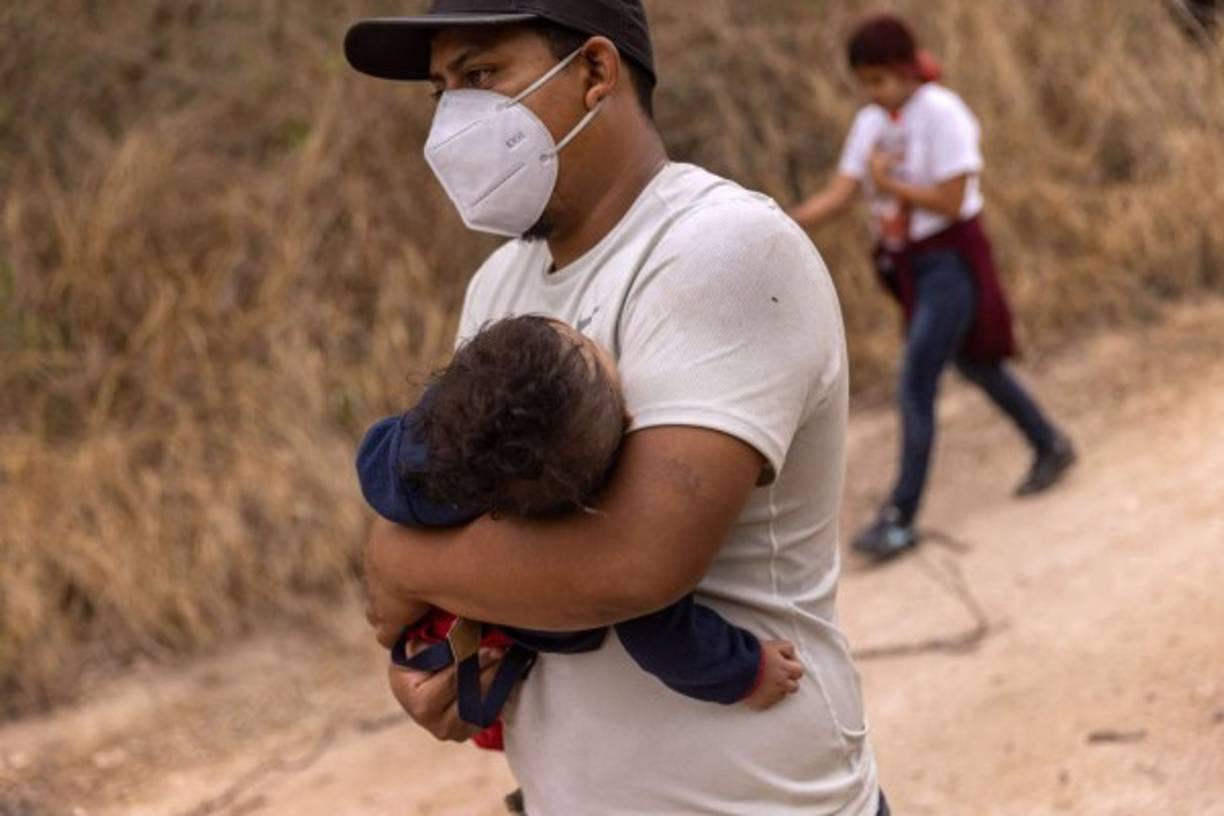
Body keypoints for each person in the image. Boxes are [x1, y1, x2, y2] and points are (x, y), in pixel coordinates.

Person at [346, 1, 886, 814]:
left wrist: (394, 559)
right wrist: (445, 657)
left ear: (597, 72)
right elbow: (464, 507)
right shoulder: (498, 286)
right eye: (440, 91)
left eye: (483, 75)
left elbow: (632, 565)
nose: (454, 117)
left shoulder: (721, 248)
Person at [354, 314, 805, 753]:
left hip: (470, 661)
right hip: (510, 674)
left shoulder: (416, 471)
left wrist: (438, 424)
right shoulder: (598, 542)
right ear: (627, 420)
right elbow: (666, 640)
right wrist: (748, 671)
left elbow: (378, 459)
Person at [790, 14, 1076, 560]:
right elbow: (843, 191)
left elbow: (950, 200)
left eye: (878, 80)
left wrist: (891, 182)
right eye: (864, 84)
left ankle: (900, 516)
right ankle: (1050, 444)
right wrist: (780, 220)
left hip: (951, 262)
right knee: (976, 366)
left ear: (904, 70)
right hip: (910, 266)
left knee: (916, 382)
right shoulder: (873, 120)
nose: (871, 94)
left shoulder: (944, 114)